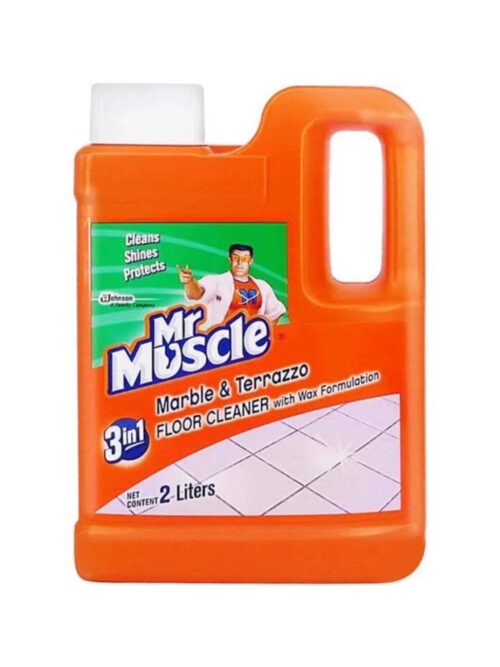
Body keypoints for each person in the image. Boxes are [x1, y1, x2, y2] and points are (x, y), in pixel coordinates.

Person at [177, 243, 286, 328]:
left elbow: (277, 312)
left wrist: (264, 336)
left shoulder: (263, 287)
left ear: (251, 261)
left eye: (245, 259)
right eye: (236, 258)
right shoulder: (217, 281)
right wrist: (189, 281)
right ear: (230, 259)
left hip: (251, 345)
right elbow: (195, 294)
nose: (240, 263)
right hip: (221, 341)